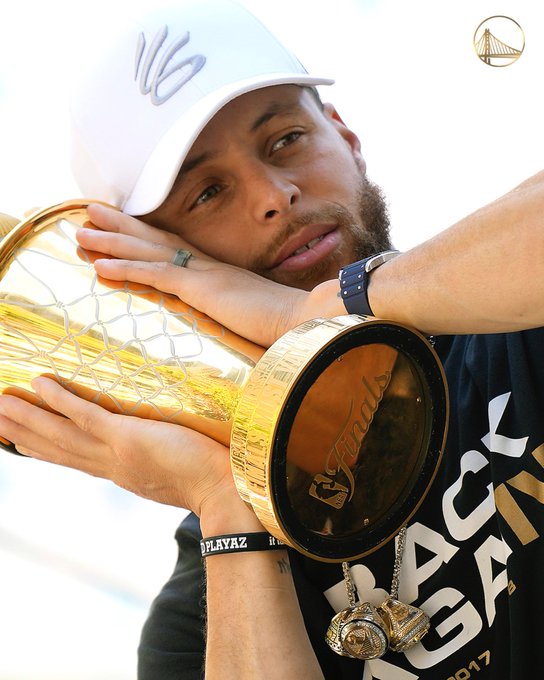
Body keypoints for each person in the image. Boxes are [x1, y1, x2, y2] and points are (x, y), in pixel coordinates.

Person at [1, 0, 543, 678]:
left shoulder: (515, 318)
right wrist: (229, 502)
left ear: (344, 136)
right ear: (143, 279)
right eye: (207, 193)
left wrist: (320, 312)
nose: (273, 194)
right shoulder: (193, 624)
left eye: (285, 139)